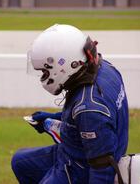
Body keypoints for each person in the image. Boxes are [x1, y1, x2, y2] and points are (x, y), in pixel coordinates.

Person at [11, 24, 129, 184]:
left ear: (63, 66)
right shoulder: (104, 67)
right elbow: (84, 123)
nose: (43, 77)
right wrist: (51, 119)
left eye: (45, 72)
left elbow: (102, 168)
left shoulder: (89, 108)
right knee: (20, 162)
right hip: (74, 151)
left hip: (78, 167)